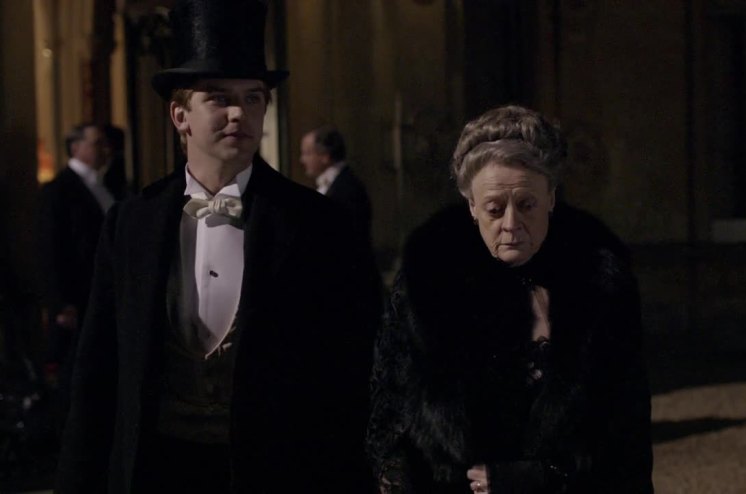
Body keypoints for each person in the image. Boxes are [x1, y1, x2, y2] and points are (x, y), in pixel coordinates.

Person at [55, 1, 380, 493]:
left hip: (279, 472)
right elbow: (98, 372)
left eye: (253, 98)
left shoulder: (319, 224)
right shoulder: (131, 224)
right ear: (180, 115)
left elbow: (354, 365)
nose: (238, 113)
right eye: (219, 98)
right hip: (157, 471)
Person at [366, 105, 653, 493]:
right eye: (495, 209)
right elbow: (390, 417)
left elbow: (628, 437)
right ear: (472, 206)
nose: (511, 224)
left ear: (551, 198)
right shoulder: (428, 283)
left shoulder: (600, 284)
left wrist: (534, 478)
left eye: (527, 205)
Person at [39, 123, 114, 394]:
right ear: (75, 147)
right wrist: (61, 303)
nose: (106, 150)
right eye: (97, 143)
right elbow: (51, 249)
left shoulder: (105, 185)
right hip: (76, 298)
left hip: (100, 292)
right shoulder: (58, 190)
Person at [300, 125, 373, 250]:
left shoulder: (348, 189)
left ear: (325, 156)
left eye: (307, 153)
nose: (302, 159)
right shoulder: (332, 184)